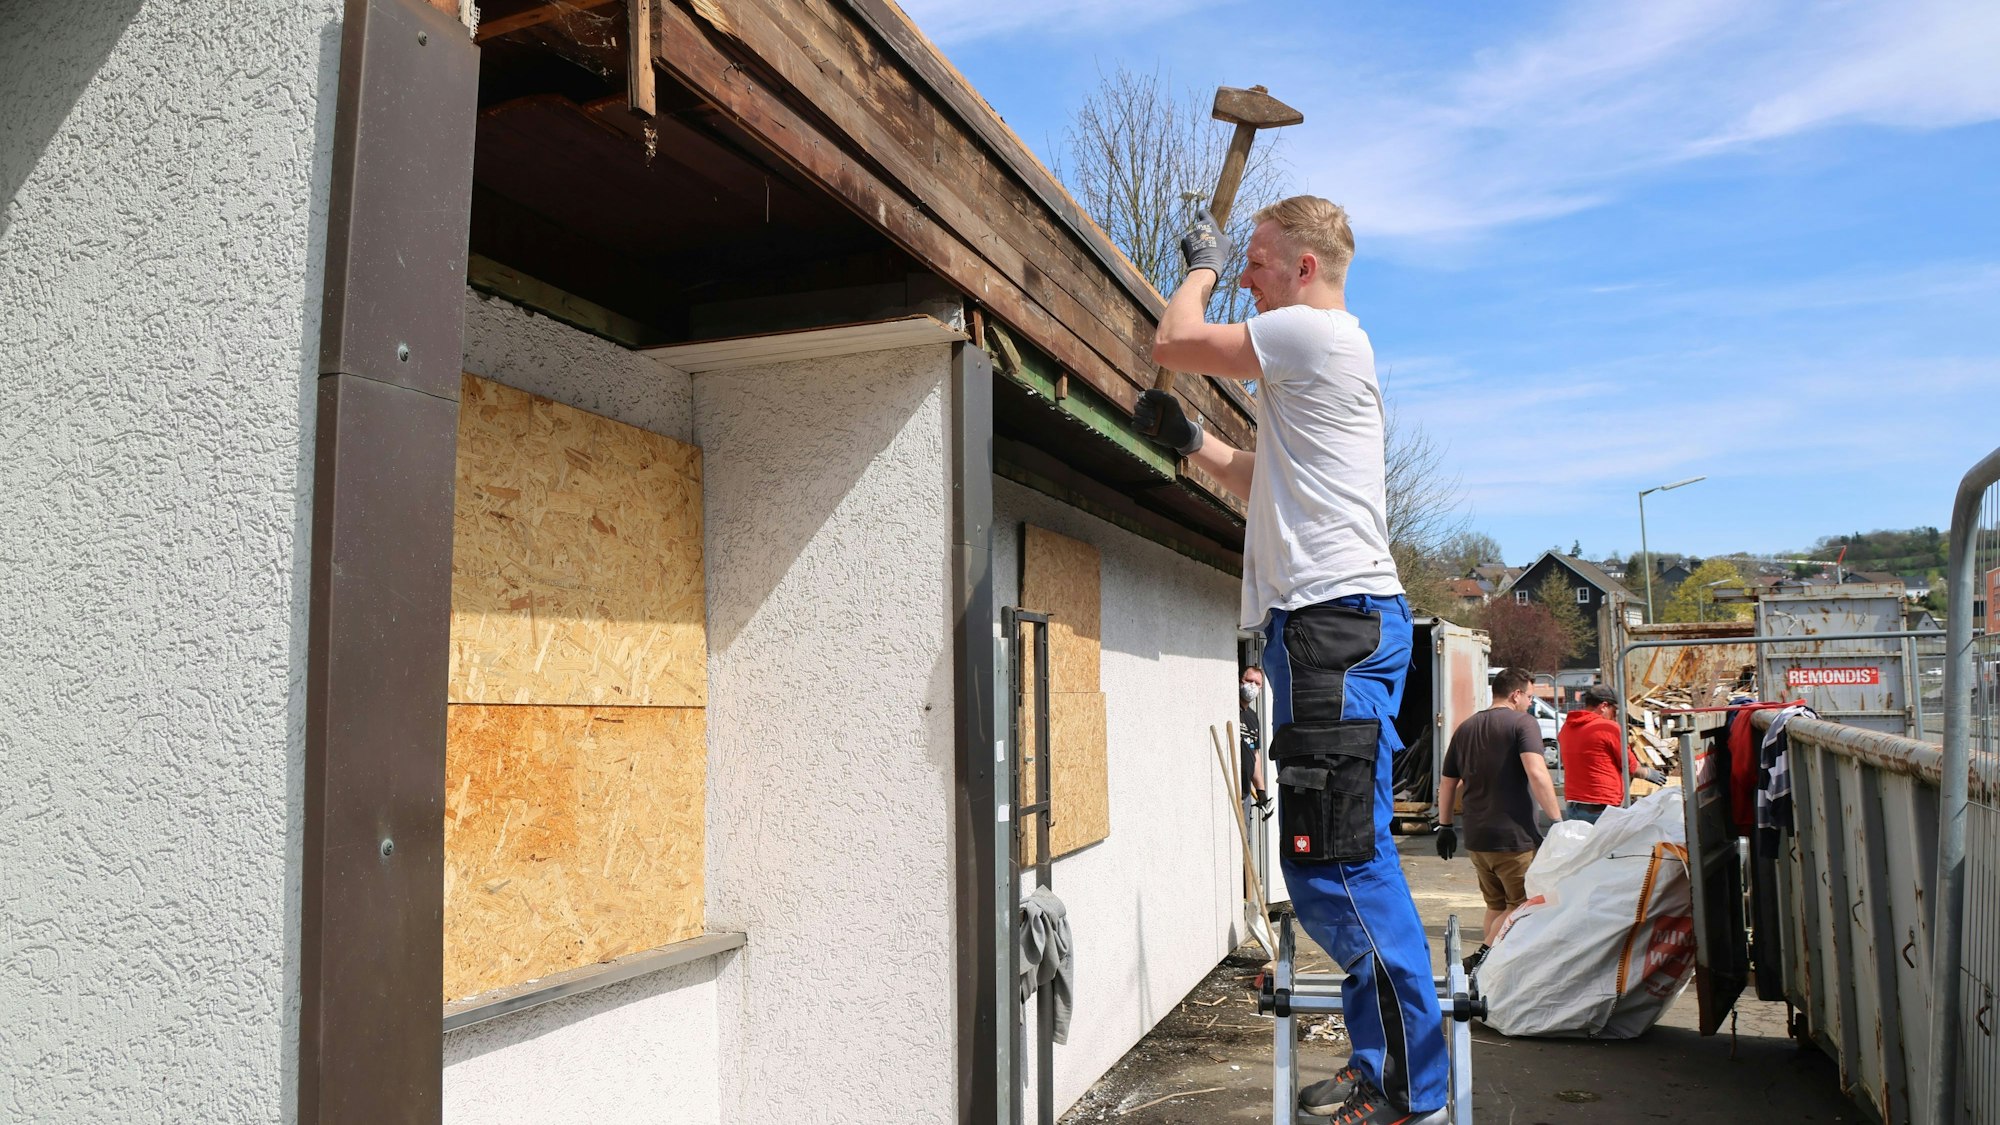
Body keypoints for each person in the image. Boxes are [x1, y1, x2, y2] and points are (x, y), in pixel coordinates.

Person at [1141, 197, 1445, 1125]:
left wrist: (1195, 261)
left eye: (1258, 263)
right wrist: (1194, 445)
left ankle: (1409, 1091)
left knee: (1336, 864)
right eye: (1238, 265)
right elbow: (1256, 474)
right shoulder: (1311, 367)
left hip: (1333, 625)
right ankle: (1380, 1064)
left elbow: (1174, 340)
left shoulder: (1313, 336)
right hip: (1329, 628)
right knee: (1348, 851)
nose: (1245, 277)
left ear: (1305, 270)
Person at [1434, 668, 1563, 965]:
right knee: (1521, 906)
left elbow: (1448, 783)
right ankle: (1483, 959)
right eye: (1529, 696)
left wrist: (1445, 826)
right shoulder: (1522, 723)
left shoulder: (1465, 728)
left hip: (1477, 838)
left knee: (1496, 905)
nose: (1531, 702)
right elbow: (1537, 773)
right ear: (1516, 694)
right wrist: (1558, 822)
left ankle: (1486, 972)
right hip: (1514, 838)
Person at [1556, 685, 1666, 824]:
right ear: (1604, 706)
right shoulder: (1607, 728)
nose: (1615, 716)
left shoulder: (1567, 727)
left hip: (1574, 807)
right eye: (1614, 710)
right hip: (1601, 809)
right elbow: (1630, 767)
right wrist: (1649, 773)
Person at [1240, 665, 1267, 800]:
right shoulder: (1231, 710)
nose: (1252, 686)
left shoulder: (1253, 717)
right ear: (1240, 681)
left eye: (1257, 683)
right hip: (1231, 788)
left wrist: (1260, 790)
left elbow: (1254, 754)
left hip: (1245, 793)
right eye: (1249, 680)